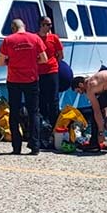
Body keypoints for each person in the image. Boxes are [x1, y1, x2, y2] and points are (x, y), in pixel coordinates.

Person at [0, 19, 47, 155]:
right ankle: (35, 146)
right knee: (34, 112)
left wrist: (10, 61)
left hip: (14, 80)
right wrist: (32, 61)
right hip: (31, 80)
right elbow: (44, 59)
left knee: (14, 112)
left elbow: (0, 62)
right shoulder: (35, 38)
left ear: (13, 28)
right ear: (24, 26)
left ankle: (16, 147)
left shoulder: (8, 40)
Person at [37, 16, 64, 145]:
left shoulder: (54, 38)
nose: (49, 27)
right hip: (39, 73)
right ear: (41, 25)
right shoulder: (35, 38)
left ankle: (55, 127)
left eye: (50, 25)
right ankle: (43, 129)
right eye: (47, 25)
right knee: (41, 100)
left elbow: (60, 55)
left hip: (52, 71)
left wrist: (53, 64)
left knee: (53, 99)